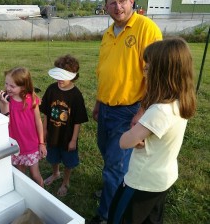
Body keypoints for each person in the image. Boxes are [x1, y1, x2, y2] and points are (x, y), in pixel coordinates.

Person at [107, 37, 197, 224]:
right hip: (163, 179)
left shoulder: (159, 111)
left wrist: (132, 134)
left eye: (147, 68)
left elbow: (125, 142)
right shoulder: (180, 102)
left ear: (161, 73)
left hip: (141, 182)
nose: (144, 72)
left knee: (119, 217)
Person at [90, 0, 162, 223]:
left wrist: (141, 111)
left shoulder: (146, 27)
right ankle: (115, 186)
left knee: (115, 164)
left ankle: (106, 215)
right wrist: (99, 102)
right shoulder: (108, 33)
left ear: (132, 1)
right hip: (106, 108)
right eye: (111, 2)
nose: (117, 6)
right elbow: (105, 72)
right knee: (107, 153)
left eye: (122, 0)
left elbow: (155, 73)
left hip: (128, 110)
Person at [40, 54, 88, 197]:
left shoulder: (76, 95)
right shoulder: (51, 89)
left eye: (64, 76)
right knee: (53, 156)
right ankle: (56, 173)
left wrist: (73, 140)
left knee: (68, 160)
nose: (59, 79)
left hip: (67, 137)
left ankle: (66, 181)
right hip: (53, 133)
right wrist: (44, 130)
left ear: (73, 76)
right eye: (57, 75)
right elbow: (46, 113)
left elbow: (78, 120)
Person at [0, 67, 47, 187]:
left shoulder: (32, 99)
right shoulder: (6, 100)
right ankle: (26, 194)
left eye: (12, 86)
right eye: (6, 84)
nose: (8, 88)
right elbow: (6, 123)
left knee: (35, 175)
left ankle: (42, 195)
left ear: (24, 86)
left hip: (31, 145)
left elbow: (38, 121)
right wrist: (4, 104)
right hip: (16, 146)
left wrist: (41, 143)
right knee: (21, 175)